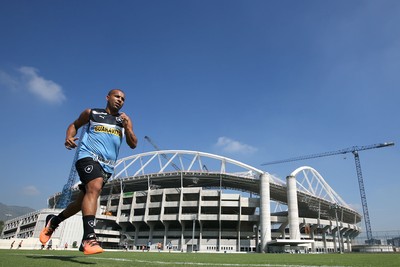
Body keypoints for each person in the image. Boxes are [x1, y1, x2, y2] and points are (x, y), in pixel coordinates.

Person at [39, 89, 138, 255]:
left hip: (107, 166)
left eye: (123, 99)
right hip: (87, 157)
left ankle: (54, 221)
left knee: (80, 203)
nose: (120, 100)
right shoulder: (91, 113)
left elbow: (133, 143)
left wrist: (127, 127)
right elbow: (74, 125)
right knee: (95, 186)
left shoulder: (124, 120)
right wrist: (69, 137)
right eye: (117, 96)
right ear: (107, 97)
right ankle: (89, 238)